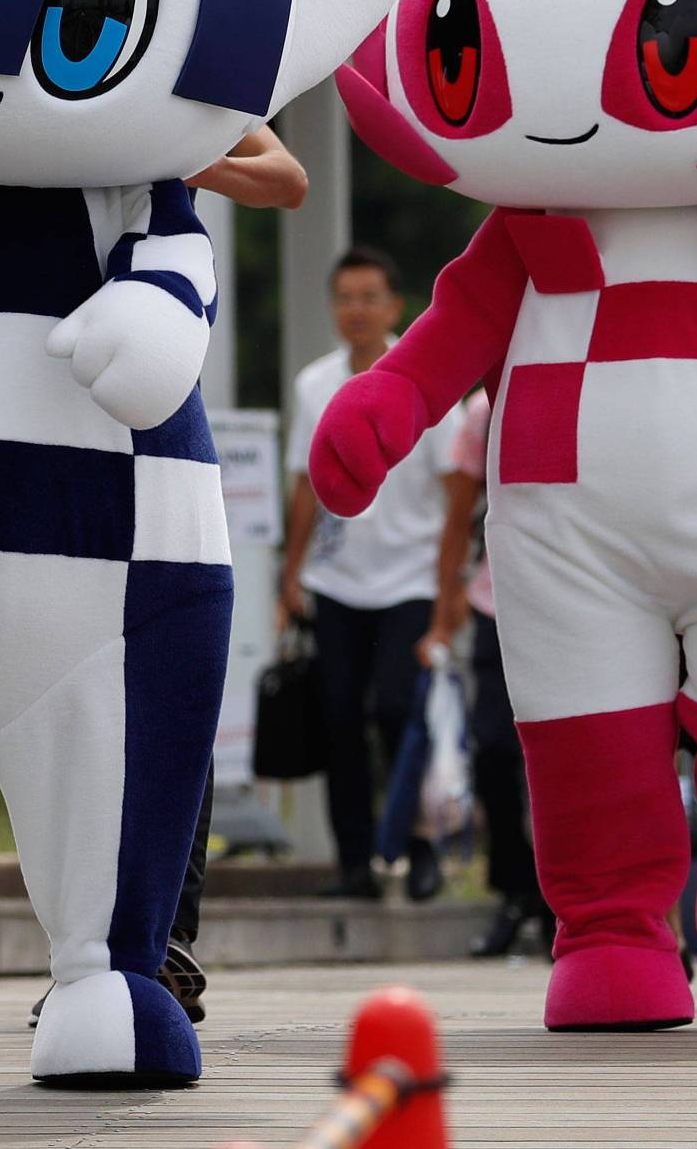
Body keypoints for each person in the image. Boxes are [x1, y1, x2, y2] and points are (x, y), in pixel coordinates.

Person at [279, 246, 460, 902]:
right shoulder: (314, 383)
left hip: (410, 579)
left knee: (396, 709)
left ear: (394, 306)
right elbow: (305, 483)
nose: (356, 311)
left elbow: (457, 493)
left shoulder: (425, 377)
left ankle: (418, 843)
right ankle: (355, 861)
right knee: (338, 719)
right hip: (337, 580)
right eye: (345, 298)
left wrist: (450, 594)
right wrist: (288, 574)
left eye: (369, 298)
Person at [435, 386, 552, 958]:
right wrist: (441, 614)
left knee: (570, 759)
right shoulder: (485, 411)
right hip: (496, 605)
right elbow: (457, 519)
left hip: (579, 610)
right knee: (496, 752)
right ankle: (513, 891)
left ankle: (564, 901)